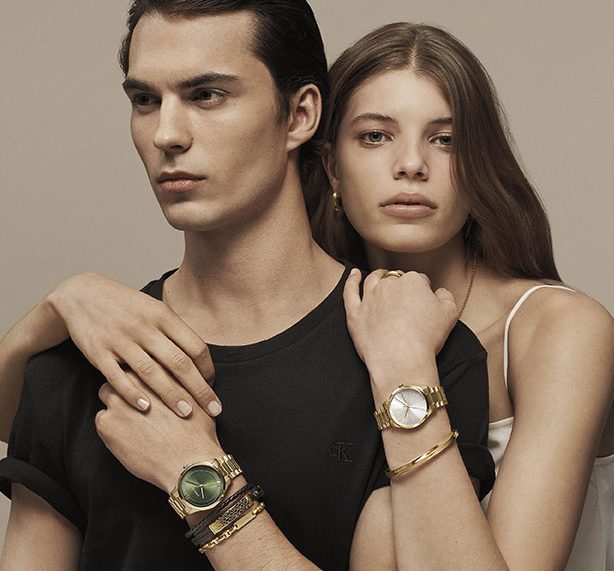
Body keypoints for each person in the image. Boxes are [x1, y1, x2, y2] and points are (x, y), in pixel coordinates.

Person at [0, 4, 494, 570]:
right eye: (145, 100)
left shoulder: (425, 363)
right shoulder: (78, 363)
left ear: (300, 115)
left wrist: (197, 476)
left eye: (207, 95)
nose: (166, 134)